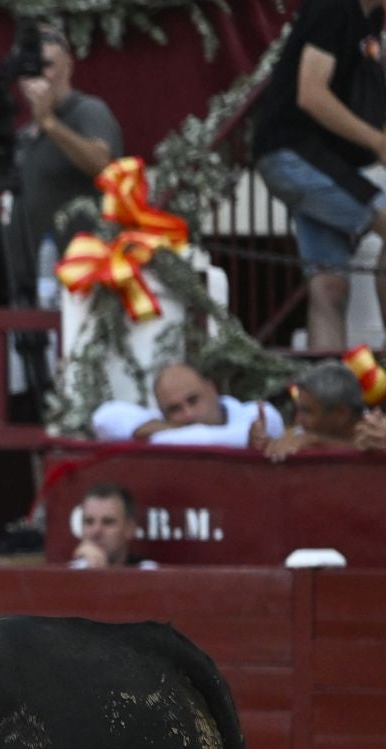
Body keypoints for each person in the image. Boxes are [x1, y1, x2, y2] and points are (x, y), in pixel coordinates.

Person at [251, 0, 386, 351]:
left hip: (319, 160)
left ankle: (328, 391)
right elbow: (311, 94)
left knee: (329, 285)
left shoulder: (370, 19)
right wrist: (377, 142)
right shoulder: (334, 7)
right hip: (293, 152)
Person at [8, 27, 122, 286]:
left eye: (46, 65)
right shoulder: (24, 134)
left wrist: (49, 122)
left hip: (80, 278)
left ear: (68, 67)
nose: (37, 76)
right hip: (28, 283)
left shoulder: (87, 111)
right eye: (28, 67)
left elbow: (103, 166)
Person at [90, 362, 283, 448]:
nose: (188, 414)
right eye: (175, 409)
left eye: (193, 400)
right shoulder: (161, 423)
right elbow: (104, 419)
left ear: (212, 389)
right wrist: (242, 438)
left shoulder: (255, 414)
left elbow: (271, 422)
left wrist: (162, 435)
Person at [268, 359, 372, 458]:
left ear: (341, 413)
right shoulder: (302, 435)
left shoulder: (379, 434)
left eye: (307, 411)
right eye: (298, 410)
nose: (298, 420)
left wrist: (320, 442)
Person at [70, 482, 157, 569]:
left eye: (108, 522)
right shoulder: (67, 575)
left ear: (129, 529)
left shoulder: (148, 572)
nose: (96, 530)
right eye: (89, 522)